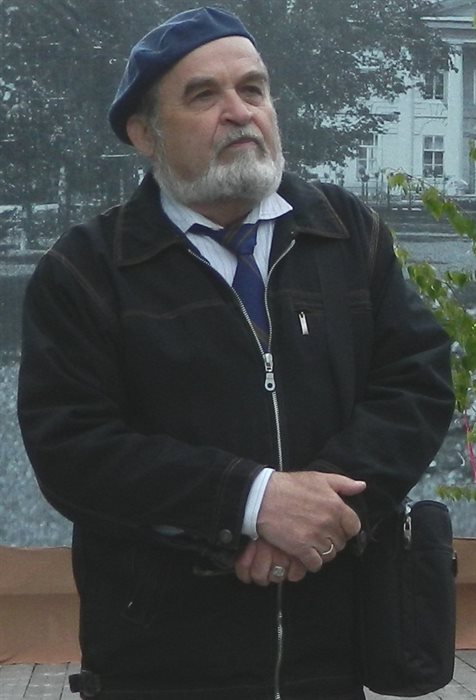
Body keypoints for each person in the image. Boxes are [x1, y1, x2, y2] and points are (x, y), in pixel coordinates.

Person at [17, 7, 454, 700]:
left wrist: (319, 515)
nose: (240, 112)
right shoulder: (87, 271)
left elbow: (416, 381)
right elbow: (72, 448)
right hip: (161, 663)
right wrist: (251, 502)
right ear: (144, 134)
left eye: (253, 89)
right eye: (203, 95)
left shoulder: (346, 232)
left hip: (333, 651)